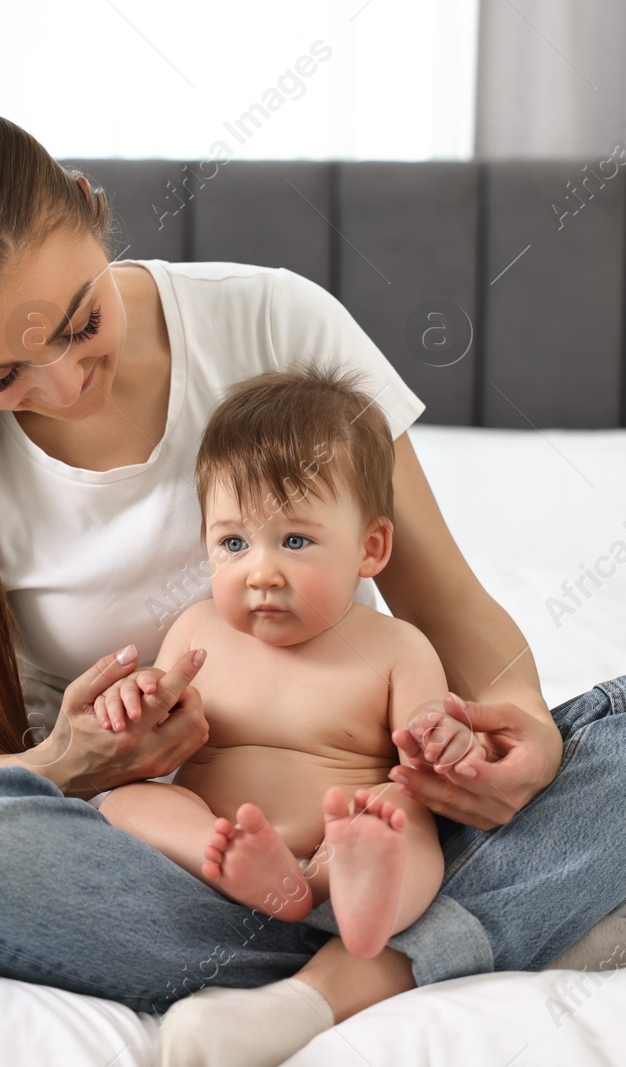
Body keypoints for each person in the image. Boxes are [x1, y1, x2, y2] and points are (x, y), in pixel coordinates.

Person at [0, 108, 626, 1067]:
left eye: (81, 324)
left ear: (87, 207)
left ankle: (332, 981)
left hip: (369, 815)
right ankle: (470, 938)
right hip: (156, 860)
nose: (66, 384)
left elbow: (443, 601)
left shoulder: (272, 319)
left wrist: (517, 725)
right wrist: (66, 762)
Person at [88, 364, 450, 962]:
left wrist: (444, 739)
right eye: (233, 543)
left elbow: (426, 758)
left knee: (402, 814)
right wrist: (130, 701)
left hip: (337, 840)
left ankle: (367, 898)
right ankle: (235, 863)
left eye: (295, 541)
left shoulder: (397, 646)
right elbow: (149, 734)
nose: (260, 572)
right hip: (218, 842)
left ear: (370, 547)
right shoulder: (198, 630)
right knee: (130, 801)